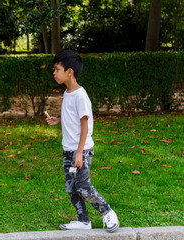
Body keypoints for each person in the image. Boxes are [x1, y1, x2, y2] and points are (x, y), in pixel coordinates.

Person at [46, 50, 119, 232]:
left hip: (81, 151)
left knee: (84, 187)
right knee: (72, 188)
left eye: (57, 69)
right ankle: (83, 220)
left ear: (69, 72)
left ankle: (108, 212)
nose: (54, 73)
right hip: (68, 151)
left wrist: (79, 153)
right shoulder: (68, 93)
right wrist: (58, 120)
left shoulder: (80, 95)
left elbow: (85, 126)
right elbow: (74, 119)